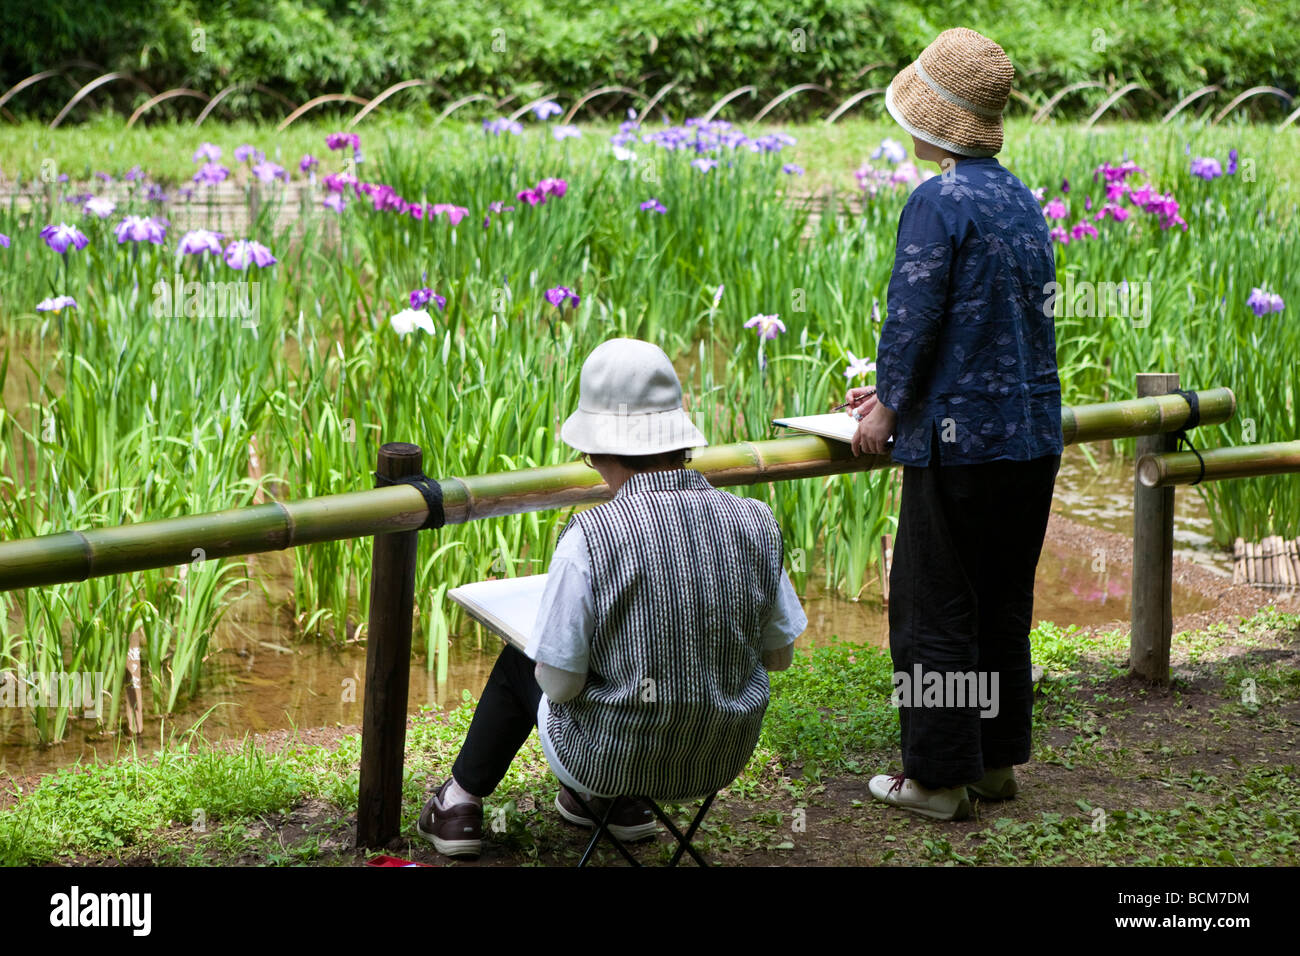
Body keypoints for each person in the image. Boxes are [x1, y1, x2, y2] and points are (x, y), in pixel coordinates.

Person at [419, 337, 808, 857]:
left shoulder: (591, 534)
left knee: (521, 660)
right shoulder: (757, 522)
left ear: (596, 448)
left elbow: (558, 684)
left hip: (610, 759)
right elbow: (778, 658)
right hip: (720, 755)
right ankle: (617, 807)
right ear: (679, 438)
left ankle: (459, 802)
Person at [847, 28, 1063, 821]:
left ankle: (936, 779)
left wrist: (888, 406)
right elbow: (1002, 328)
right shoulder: (1021, 201)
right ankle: (994, 763)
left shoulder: (938, 202)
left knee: (936, 605)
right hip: (1032, 437)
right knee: (1002, 600)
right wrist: (893, 397)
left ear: (929, 118)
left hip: (958, 445)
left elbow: (915, 320)